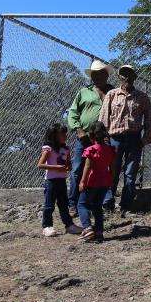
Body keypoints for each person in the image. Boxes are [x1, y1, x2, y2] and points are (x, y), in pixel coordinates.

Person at [98, 64, 151, 216]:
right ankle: (107, 204)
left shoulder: (142, 97)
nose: (127, 77)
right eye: (124, 74)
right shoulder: (111, 95)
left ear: (135, 77)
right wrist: (104, 139)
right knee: (112, 172)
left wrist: (145, 140)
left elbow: (150, 120)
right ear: (119, 77)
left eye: (130, 74)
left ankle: (126, 206)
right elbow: (103, 119)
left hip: (134, 139)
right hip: (114, 139)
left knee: (130, 174)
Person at [66, 59, 112, 216]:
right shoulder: (83, 92)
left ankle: (103, 202)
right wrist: (78, 130)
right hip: (84, 137)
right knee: (78, 168)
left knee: (104, 169)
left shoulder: (113, 92)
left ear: (106, 75)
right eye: (94, 75)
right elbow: (72, 113)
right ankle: (73, 203)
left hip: (105, 139)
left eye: (100, 74)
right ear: (91, 77)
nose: (97, 77)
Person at [38, 123, 81, 237]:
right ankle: (47, 226)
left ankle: (69, 225)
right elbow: (40, 165)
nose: (65, 136)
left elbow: (69, 165)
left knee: (63, 205)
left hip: (62, 180)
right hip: (51, 181)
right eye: (62, 134)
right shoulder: (48, 149)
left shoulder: (66, 149)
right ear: (54, 135)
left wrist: (68, 167)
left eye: (65, 134)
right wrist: (56, 167)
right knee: (49, 205)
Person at [77, 121, 115, 242]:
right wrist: (111, 179)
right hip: (104, 181)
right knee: (97, 206)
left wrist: (82, 182)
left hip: (92, 181)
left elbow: (87, 167)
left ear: (91, 135)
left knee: (82, 204)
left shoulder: (91, 150)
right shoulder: (110, 150)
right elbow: (112, 167)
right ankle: (99, 232)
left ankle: (87, 228)